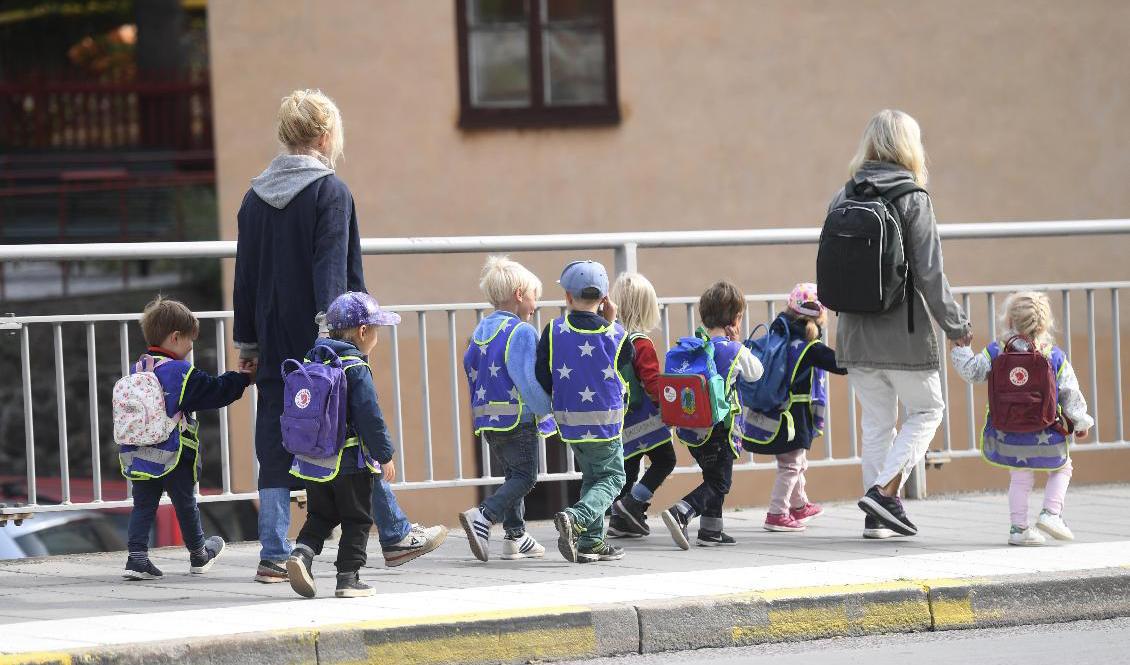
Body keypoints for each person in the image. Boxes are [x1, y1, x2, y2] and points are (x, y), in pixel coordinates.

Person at [233, 89, 444, 583]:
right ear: (327, 135)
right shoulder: (332, 193)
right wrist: (340, 341)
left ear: (286, 136)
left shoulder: (252, 199)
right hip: (321, 343)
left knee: (274, 441)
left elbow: (244, 278)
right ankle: (392, 535)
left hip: (270, 342)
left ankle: (272, 553)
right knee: (347, 438)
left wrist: (248, 344)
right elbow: (335, 273)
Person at [827, 109, 972, 540]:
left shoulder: (843, 196)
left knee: (877, 423)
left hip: (853, 333)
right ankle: (886, 493)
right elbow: (929, 274)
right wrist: (956, 325)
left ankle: (876, 520)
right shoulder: (913, 198)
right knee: (928, 410)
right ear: (910, 147)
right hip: (902, 336)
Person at [286, 292, 414, 598]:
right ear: (363, 331)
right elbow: (370, 414)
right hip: (351, 460)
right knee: (357, 518)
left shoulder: (311, 358)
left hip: (313, 459)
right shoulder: (355, 366)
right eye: (377, 331)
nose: (377, 338)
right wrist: (385, 454)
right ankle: (348, 577)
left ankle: (301, 554)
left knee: (321, 515)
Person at [120, 297, 252, 580]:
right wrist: (242, 378)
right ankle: (198, 554)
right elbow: (215, 391)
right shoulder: (179, 373)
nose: (191, 347)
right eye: (189, 341)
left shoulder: (137, 369)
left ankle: (137, 558)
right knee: (185, 503)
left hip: (140, 453)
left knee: (143, 504)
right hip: (174, 453)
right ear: (175, 337)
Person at [950, 291, 1093, 547]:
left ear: (1008, 322)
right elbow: (1070, 393)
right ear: (1044, 324)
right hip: (1046, 431)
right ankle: (1051, 513)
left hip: (1007, 433)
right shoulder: (1054, 355)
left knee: (1020, 477)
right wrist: (1080, 422)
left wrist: (961, 349)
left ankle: (1018, 529)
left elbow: (972, 372)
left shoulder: (996, 351)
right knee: (1062, 467)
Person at [537, 260, 633, 563]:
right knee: (614, 478)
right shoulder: (616, 335)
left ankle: (592, 542)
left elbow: (542, 374)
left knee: (594, 476)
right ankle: (577, 518)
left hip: (570, 424)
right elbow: (625, 362)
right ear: (605, 298)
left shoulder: (554, 330)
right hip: (605, 425)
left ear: (567, 297)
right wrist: (614, 321)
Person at [458, 257, 551, 562]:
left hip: (487, 418)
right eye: (534, 296)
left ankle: (516, 536)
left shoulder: (480, 331)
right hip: (517, 417)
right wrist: (547, 409)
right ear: (520, 294)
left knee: (512, 473)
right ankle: (483, 516)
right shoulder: (521, 332)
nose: (535, 304)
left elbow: (469, 366)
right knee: (525, 477)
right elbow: (528, 379)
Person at [659, 281, 763, 549]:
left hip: (693, 428)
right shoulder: (732, 349)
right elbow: (757, 372)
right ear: (735, 319)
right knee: (719, 483)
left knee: (712, 477)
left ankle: (711, 531)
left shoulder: (694, 347)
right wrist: (738, 344)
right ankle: (682, 511)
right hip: (721, 429)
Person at [736, 284, 846, 532]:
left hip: (774, 413)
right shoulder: (809, 347)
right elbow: (841, 364)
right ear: (820, 317)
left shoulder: (779, 336)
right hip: (791, 418)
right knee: (791, 465)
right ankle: (777, 513)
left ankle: (799, 505)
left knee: (795, 461)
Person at [606, 272, 676, 539]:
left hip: (621, 418)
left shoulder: (612, 338)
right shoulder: (641, 343)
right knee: (665, 460)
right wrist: (669, 410)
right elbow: (652, 383)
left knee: (628, 467)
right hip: (646, 419)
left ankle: (620, 520)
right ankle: (633, 505)